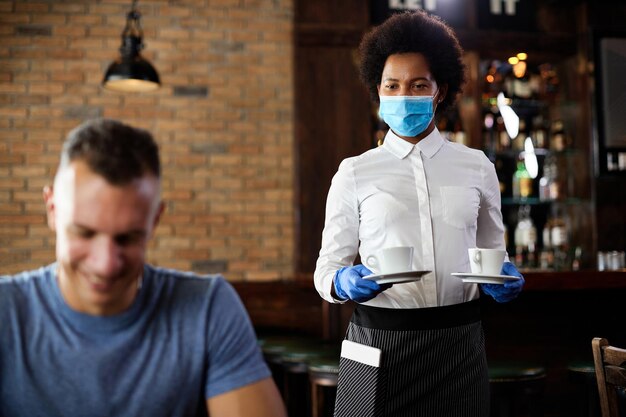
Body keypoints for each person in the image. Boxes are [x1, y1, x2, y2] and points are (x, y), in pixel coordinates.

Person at [313, 10, 525, 417]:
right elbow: (325, 272)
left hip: (458, 345)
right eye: (392, 86)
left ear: (439, 90)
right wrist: (343, 281)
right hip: (376, 343)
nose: (403, 95)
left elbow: (493, 254)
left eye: (418, 85)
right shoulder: (354, 172)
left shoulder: (477, 165)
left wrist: (505, 278)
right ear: (378, 90)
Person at [0, 119, 287, 417]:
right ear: (52, 210)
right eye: (84, 233)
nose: (106, 264)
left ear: (154, 221)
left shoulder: (207, 308)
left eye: (127, 238)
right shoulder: (5, 311)